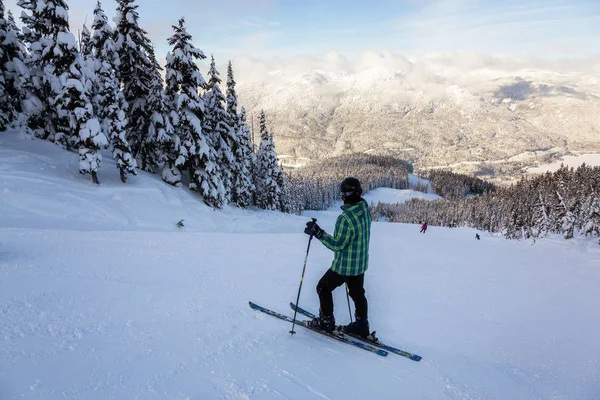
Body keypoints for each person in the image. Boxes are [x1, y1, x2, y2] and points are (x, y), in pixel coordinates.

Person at [303, 177, 372, 338]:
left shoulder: (345, 218)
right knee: (357, 293)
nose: (343, 195)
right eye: (343, 192)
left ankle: (326, 321)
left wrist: (318, 233)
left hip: (345, 265)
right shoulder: (364, 209)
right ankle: (362, 325)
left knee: (323, 287)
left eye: (346, 192)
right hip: (360, 263)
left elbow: (336, 244)